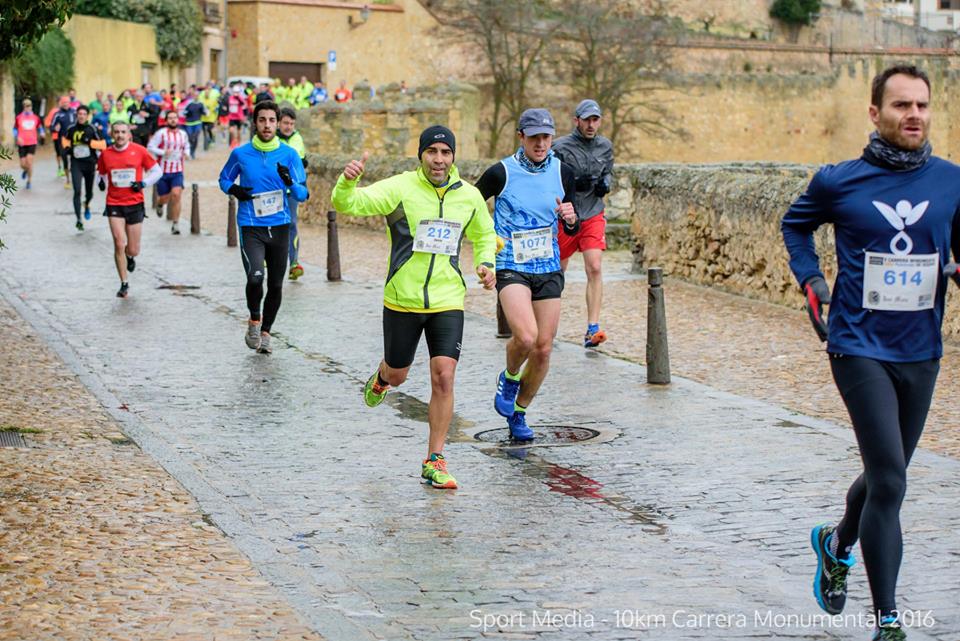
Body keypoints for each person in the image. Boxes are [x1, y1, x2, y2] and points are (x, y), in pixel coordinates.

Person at [782, 65, 960, 641]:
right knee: (890, 481)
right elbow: (795, 226)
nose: (914, 115)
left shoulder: (951, 182)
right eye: (902, 105)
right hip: (857, 344)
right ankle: (888, 619)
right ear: (874, 112)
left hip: (921, 349)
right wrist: (813, 284)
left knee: (889, 473)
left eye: (923, 106)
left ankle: (835, 543)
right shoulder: (839, 181)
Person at [331, 125, 497, 489]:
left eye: (445, 152)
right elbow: (349, 204)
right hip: (401, 299)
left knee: (444, 375)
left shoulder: (468, 196)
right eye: (432, 152)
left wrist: (487, 264)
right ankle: (382, 376)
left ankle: (435, 458)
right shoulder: (400, 188)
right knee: (399, 375)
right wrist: (346, 182)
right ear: (421, 155)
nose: (439, 159)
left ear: (454, 157)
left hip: (448, 300)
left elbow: (485, 234)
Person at [475, 108, 579, 441]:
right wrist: (485, 246)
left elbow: (570, 220)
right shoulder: (500, 173)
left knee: (544, 348)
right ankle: (508, 376)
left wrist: (571, 218)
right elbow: (471, 206)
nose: (540, 143)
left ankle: (519, 412)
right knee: (526, 338)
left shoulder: (565, 173)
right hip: (511, 266)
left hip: (547, 267)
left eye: (546, 137)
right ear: (521, 136)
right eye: (534, 137)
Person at [218, 100, 308, 354]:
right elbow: (224, 178)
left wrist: (289, 182)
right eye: (262, 120)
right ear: (255, 123)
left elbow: (303, 193)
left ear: (278, 123)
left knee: (277, 285)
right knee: (255, 276)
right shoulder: (241, 153)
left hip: (279, 226)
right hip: (251, 225)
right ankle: (254, 320)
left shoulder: (289, 155)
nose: (267, 125)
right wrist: (233, 189)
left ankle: (266, 332)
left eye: (271, 120)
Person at [552, 99, 615, 348]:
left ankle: (592, 328)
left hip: (593, 212)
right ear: (576, 120)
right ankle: (549, 324)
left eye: (595, 120)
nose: (591, 125)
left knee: (595, 266)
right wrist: (571, 184)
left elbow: (608, 170)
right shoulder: (560, 147)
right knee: (558, 272)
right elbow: (550, 177)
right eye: (586, 120)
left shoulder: (605, 147)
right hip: (566, 215)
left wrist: (605, 183)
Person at [96, 121, 162, 298]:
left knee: (133, 249)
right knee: (119, 243)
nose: (119, 135)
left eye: (123, 132)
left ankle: (130, 257)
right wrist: (101, 183)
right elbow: (100, 173)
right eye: (116, 132)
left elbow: (157, 171)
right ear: (112, 134)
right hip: (114, 203)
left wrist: (143, 183)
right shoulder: (105, 154)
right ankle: (124, 283)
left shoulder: (139, 151)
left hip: (134, 203)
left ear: (128, 135)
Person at [277, 107, 308, 280]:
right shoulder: (272, 139)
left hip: (291, 189)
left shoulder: (297, 138)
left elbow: (299, 161)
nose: (288, 126)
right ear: (279, 123)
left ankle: (294, 263)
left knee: (291, 224)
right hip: (273, 189)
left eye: (291, 123)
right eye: (285, 123)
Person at [147, 110, 190, 234]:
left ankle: (176, 224)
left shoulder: (183, 134)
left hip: (178, 170)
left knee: (176, 195)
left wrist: (186, 154)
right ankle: (160, 204)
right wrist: (162, 152)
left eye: (175, 118)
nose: (173, 120)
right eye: (170, 118)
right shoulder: (161, 134)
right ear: (166, 120)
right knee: (164, 197)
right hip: (163, 171)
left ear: (178, 119)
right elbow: (150, 146)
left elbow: (186, 146)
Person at [62, 105, 104, 231]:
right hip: (76, 164)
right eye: (79, 113)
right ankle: (78, 219)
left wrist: (90, 143)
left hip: (90, 164)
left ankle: (86, 204)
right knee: (77, 191)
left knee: (89, 193)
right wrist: (68, 149)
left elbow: (102, 145)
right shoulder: (71, 129)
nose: (81, 116)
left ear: (87, 116)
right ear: (77, 115)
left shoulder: (92, 129)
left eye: (84, 114)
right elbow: (65, 142)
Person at [13, 99, 44, 190]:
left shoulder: (35, 118)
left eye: (29, 106)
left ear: (31, 107)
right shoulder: (19, 117)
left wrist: (42, 132)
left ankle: (29, 181)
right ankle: (25, 171)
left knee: (29, 162)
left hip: (32, 142)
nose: (27, 107)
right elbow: (14, 129)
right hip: (22, 143)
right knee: (23, 164)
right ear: (23, 107)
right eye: (26, 106)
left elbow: (39, 127)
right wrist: (17, 137)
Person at [51, 97, 77, 184]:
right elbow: (51, 126)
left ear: (70, 103)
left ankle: (74, 175)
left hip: (74, 139)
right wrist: (55, 128)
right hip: (63, 140)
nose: (65, 104)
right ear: (61, 103)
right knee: (65, 159)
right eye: (64, 102)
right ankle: (68, 180)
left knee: (75, 158)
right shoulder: (58, 114)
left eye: (67, 102)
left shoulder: (74, 112)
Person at [178, 88, 206, 159]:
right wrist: (187, 113)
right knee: (190, 138)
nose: (196, 96)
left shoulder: (201, 103)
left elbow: (205, 112)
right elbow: (184, 112)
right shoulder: (189, 103)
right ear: (192, 96)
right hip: (189, 123)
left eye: (197, 95)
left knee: (195, 137)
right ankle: (190, 151)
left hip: (197, 122)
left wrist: (204, 112)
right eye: (194, 95)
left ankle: (193, 152)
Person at [199, 83, 220, 150]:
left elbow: (218, 103)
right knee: (204, 130)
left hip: (212, 116)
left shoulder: (215, 93)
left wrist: (216, 108)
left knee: (209, 129)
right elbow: (199, 103)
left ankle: (212, 138)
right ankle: (206, 140)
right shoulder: (202, 94)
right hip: (203, 116)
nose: (207, 93)